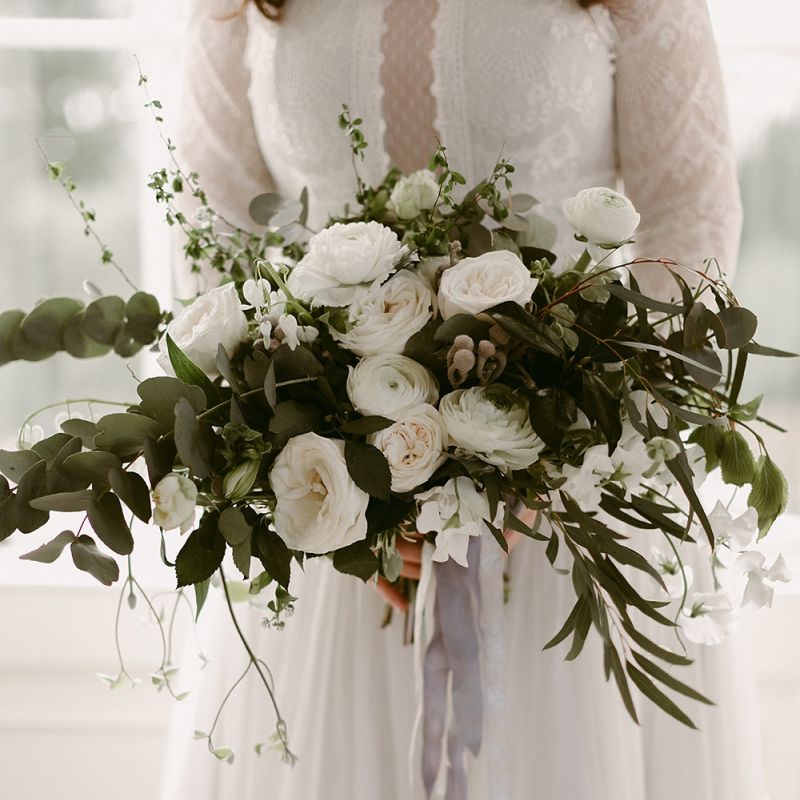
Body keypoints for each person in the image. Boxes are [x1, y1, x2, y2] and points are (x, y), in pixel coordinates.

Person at [162, 1, 765, 798]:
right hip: (331, 517)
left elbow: (691, 220)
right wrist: (339, 480)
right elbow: (212, 240)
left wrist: (553, 449)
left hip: (572, 510)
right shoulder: (236, 8)